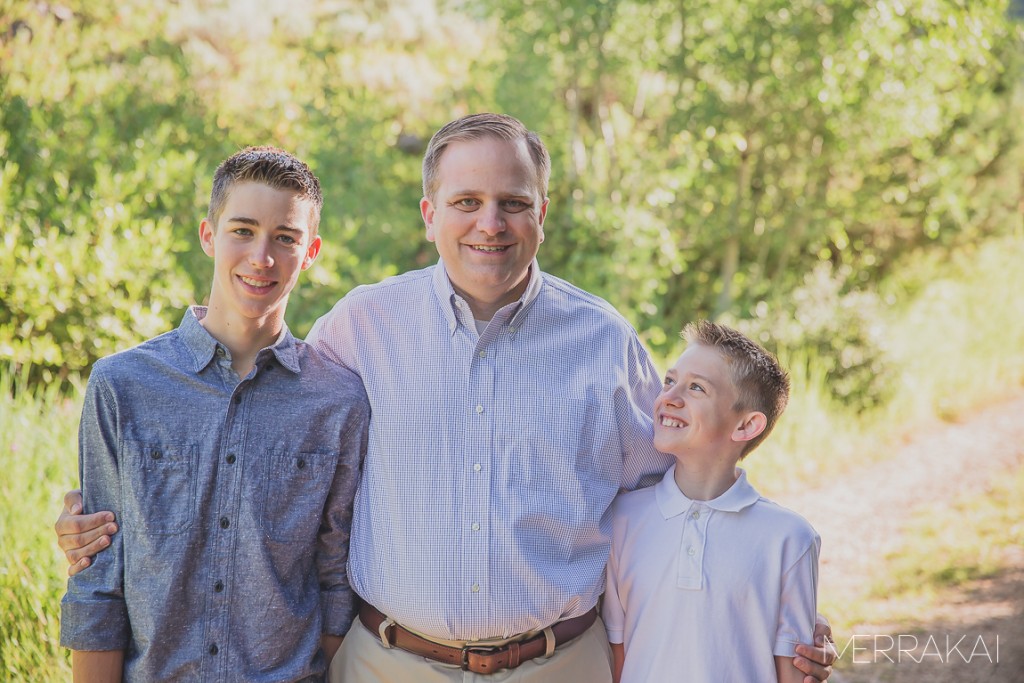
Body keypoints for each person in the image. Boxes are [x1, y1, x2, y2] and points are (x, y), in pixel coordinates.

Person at [55, 114, 836, 682]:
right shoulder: (361, 326)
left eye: (513, 202)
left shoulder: (605, 342)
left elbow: (669, 504)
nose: (489, 224)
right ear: (430, 215)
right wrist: (92, 520)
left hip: (561, 664)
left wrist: (768, 599)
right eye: (465, 202)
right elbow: (255, 409)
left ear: (542, 214)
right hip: (388, 664)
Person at [59, 146, 369, 682]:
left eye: (286, 238)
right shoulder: (123, 386)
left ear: (311, 251)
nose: (262, 257)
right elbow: (97, 581)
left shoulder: (339, 401)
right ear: (209, 235)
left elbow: (335, 581)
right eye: (243, 230)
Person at [602, 320, 819, 683]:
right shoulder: (622, 519)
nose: (669, 396)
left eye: (696, 388)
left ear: (746, 426)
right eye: (670, 381)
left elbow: (794, 671)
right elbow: (618, 655)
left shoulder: (790, 538)